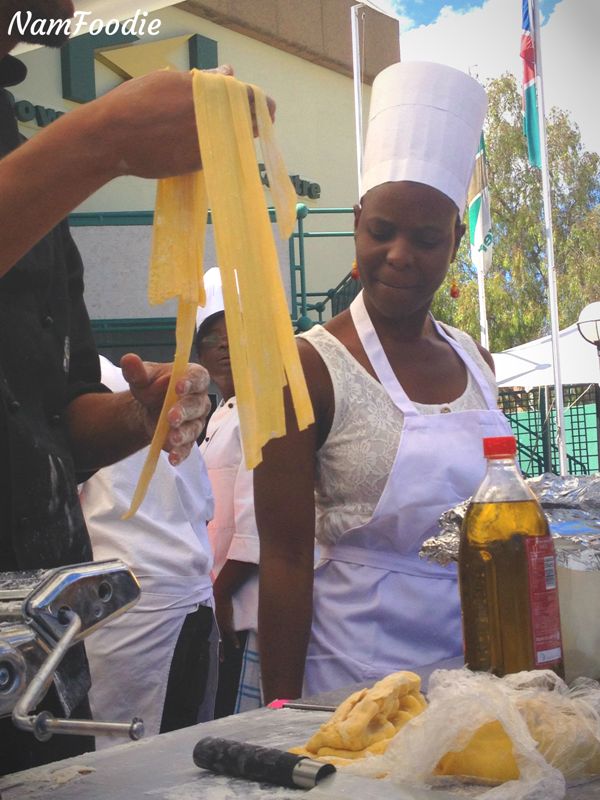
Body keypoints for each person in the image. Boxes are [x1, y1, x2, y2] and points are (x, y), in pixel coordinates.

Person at [0, 1, 272, 772]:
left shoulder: (26, 162)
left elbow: (51, 424)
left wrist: (135, 415)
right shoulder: (56, 161)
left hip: (39, 654)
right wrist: (101, 141)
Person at [255, 61, 514, 701]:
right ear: (356, 224)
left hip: (477, 670)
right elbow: (284, 559)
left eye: (426, 238)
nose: (400, 254)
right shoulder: (305, 366)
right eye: (382, 231)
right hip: (355, 677)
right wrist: (280, 715)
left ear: (455, 242)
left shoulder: (477, 360)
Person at [80, 356, 218, 748]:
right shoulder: (113, 381)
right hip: (186, 600)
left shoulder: (82, 389)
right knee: (181, 760)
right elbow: (203, 506)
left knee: (118, 767)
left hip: (123, 613)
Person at [197, 268, 261, 717]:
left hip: (246, 605)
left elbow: (259, 522)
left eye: (233, 332)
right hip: (220, 601)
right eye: (211, 336)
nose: (222, 345)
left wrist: (221, 595)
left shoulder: (260, 413)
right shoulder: (217, 416)